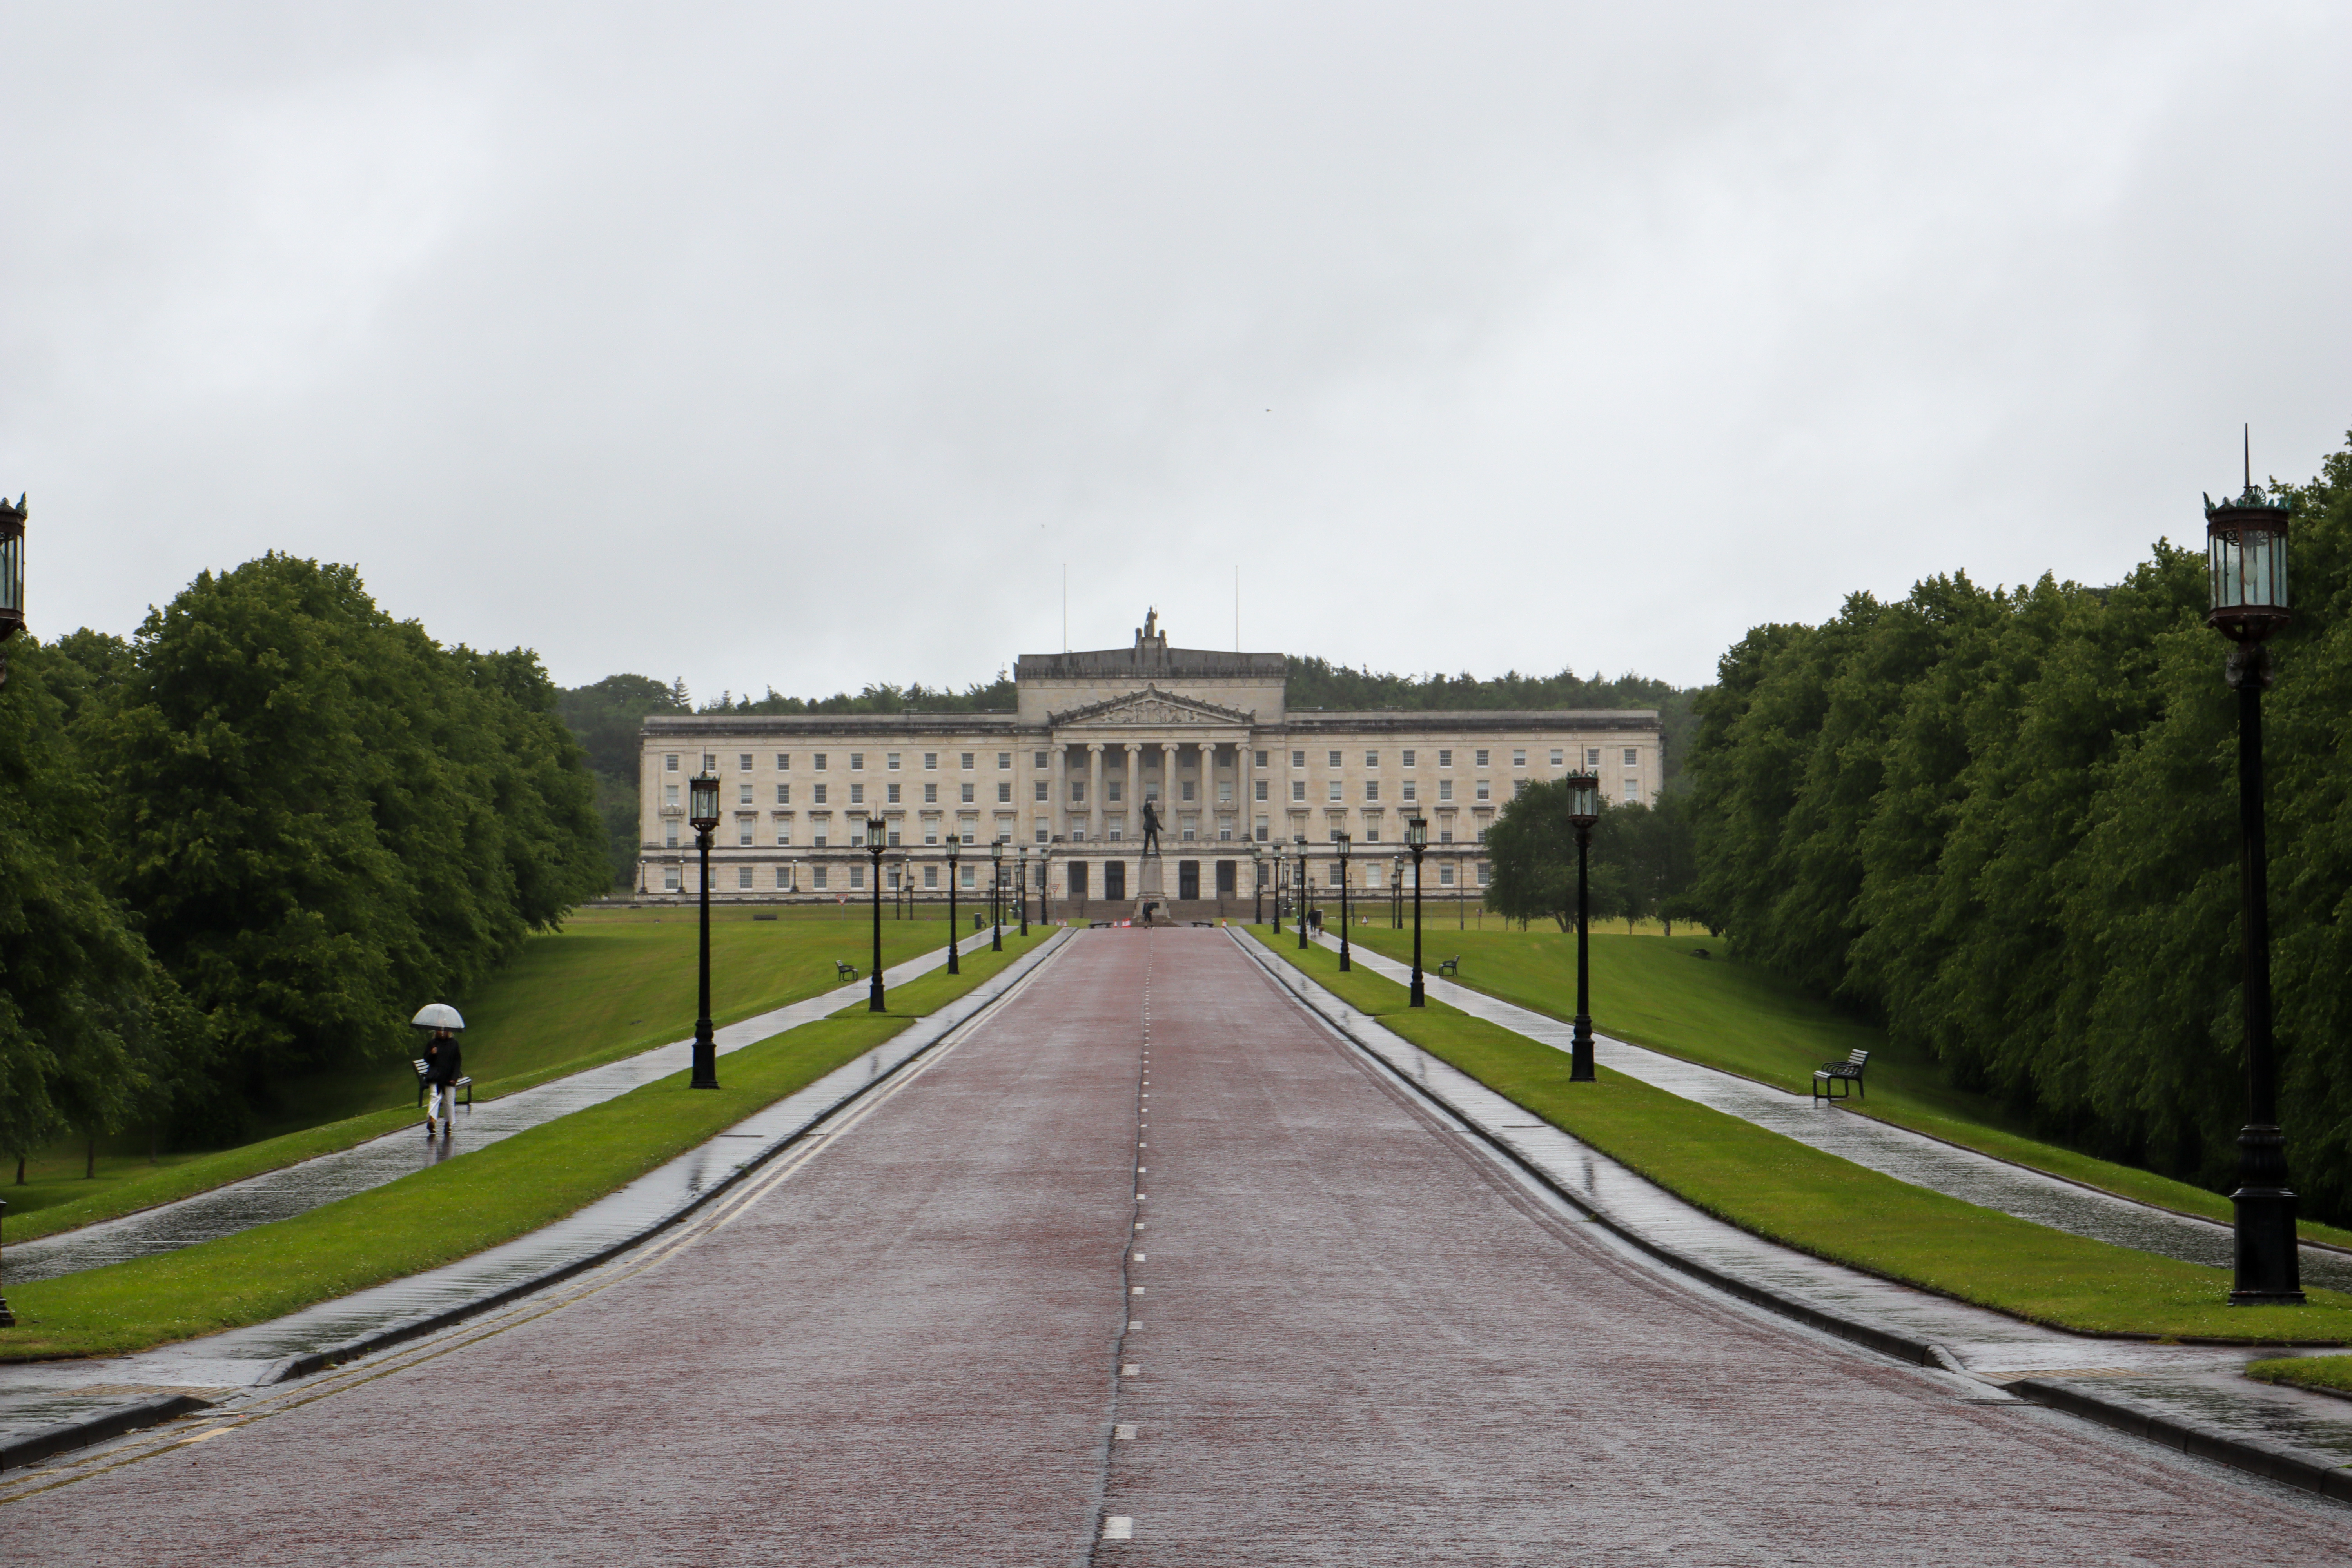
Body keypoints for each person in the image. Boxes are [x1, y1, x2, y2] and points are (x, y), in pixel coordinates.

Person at [423, 1026, 463, 1139]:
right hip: (435, 1075)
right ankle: (432, 1120)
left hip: (449, 1076)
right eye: (440, 1030)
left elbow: (457, 1061)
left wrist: (454, 1077)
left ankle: (448, 1123)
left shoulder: (454, 1044)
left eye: (444, 1030)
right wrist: (432, 1053)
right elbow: (427, 1059)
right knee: (435, 1097)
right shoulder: (433, 1043)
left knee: (449, 1100)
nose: (442, 1032)